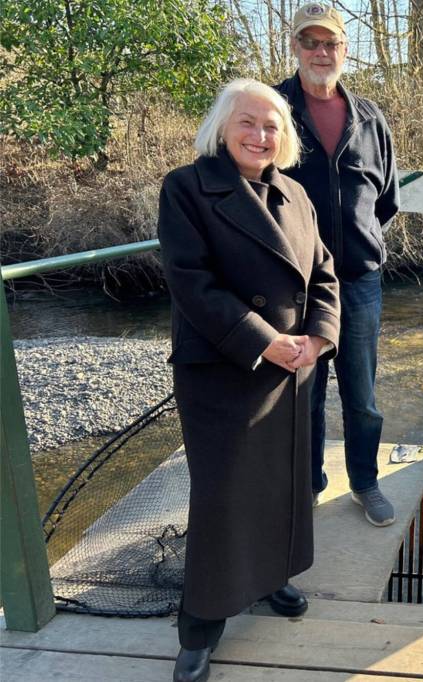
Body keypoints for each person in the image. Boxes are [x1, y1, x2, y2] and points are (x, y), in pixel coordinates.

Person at [158, 78, 341, 682]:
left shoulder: (296, 194)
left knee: (279, 484)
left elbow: (324, 273)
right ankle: (200, 628)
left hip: (294, 371)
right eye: (248, 122)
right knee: (221, 496)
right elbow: (192, 284)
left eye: (272, 126)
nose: (261, 135)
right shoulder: (186, 188)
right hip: (224, 368)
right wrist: (266, 341)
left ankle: (270, 579)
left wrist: (317, 337)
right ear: (222, 126)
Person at [274, 3, 400, 526]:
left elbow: (386, 199)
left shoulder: (371, 119)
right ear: (295, 47)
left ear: (345, 50)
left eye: (331, 43)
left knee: (363, 395)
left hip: (359, 284)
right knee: (301, 396)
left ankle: (365, 482)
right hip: (293, 286)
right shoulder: (273, 110)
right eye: (311, 42)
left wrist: (360, 243)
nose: (321, 52)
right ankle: (307, 485)